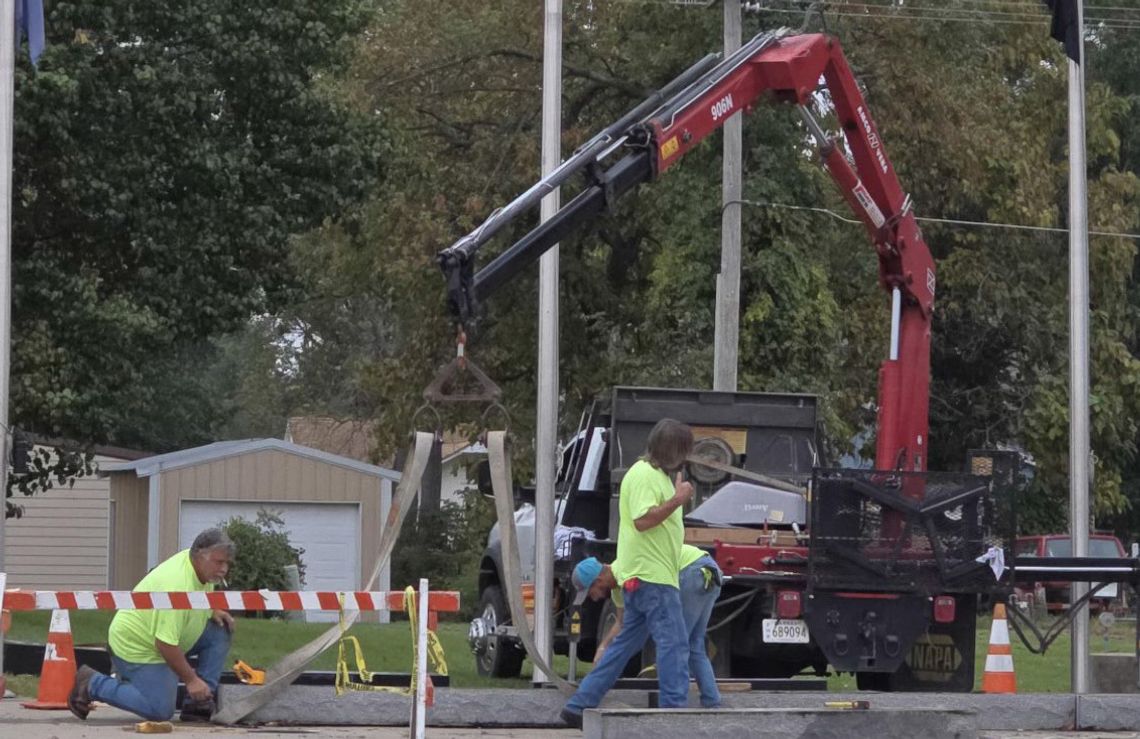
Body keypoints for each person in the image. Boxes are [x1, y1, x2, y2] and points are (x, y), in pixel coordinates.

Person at [561, 418, 695, 728]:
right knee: (673, 644)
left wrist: (674, 495)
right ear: (672, 450)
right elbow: (642, 521)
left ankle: (579, 705)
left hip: (641, 577)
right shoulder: (644, 474)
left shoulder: (657, 475)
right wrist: (678, 500)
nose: (686, 456)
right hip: (654, 577)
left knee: (622, 647)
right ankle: (675, 716)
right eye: (683, 450)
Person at [68, 528, 237, 723]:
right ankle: (91, 684)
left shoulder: (199, 568)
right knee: (160, 710)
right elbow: (164, 644)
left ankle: (198, 704)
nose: (224, 569)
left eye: (226, 563)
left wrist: (210, 610)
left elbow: (194, 599)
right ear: (200, 556)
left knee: (220, 629)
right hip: (136, 647)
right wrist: (191, 680)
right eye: (219, 562)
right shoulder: (176, 585)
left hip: (167, 639)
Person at [577, 543, 724, 710]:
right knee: (693, 643)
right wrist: (603, 648)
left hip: (691, 570)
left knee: (675, 645)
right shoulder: (618, 588)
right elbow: (621, 623)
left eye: (591, 592)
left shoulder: (626, 570)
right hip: (707, 569)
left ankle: (675, 708)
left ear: (598, 580)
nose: (594, 598)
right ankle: (712, 702)